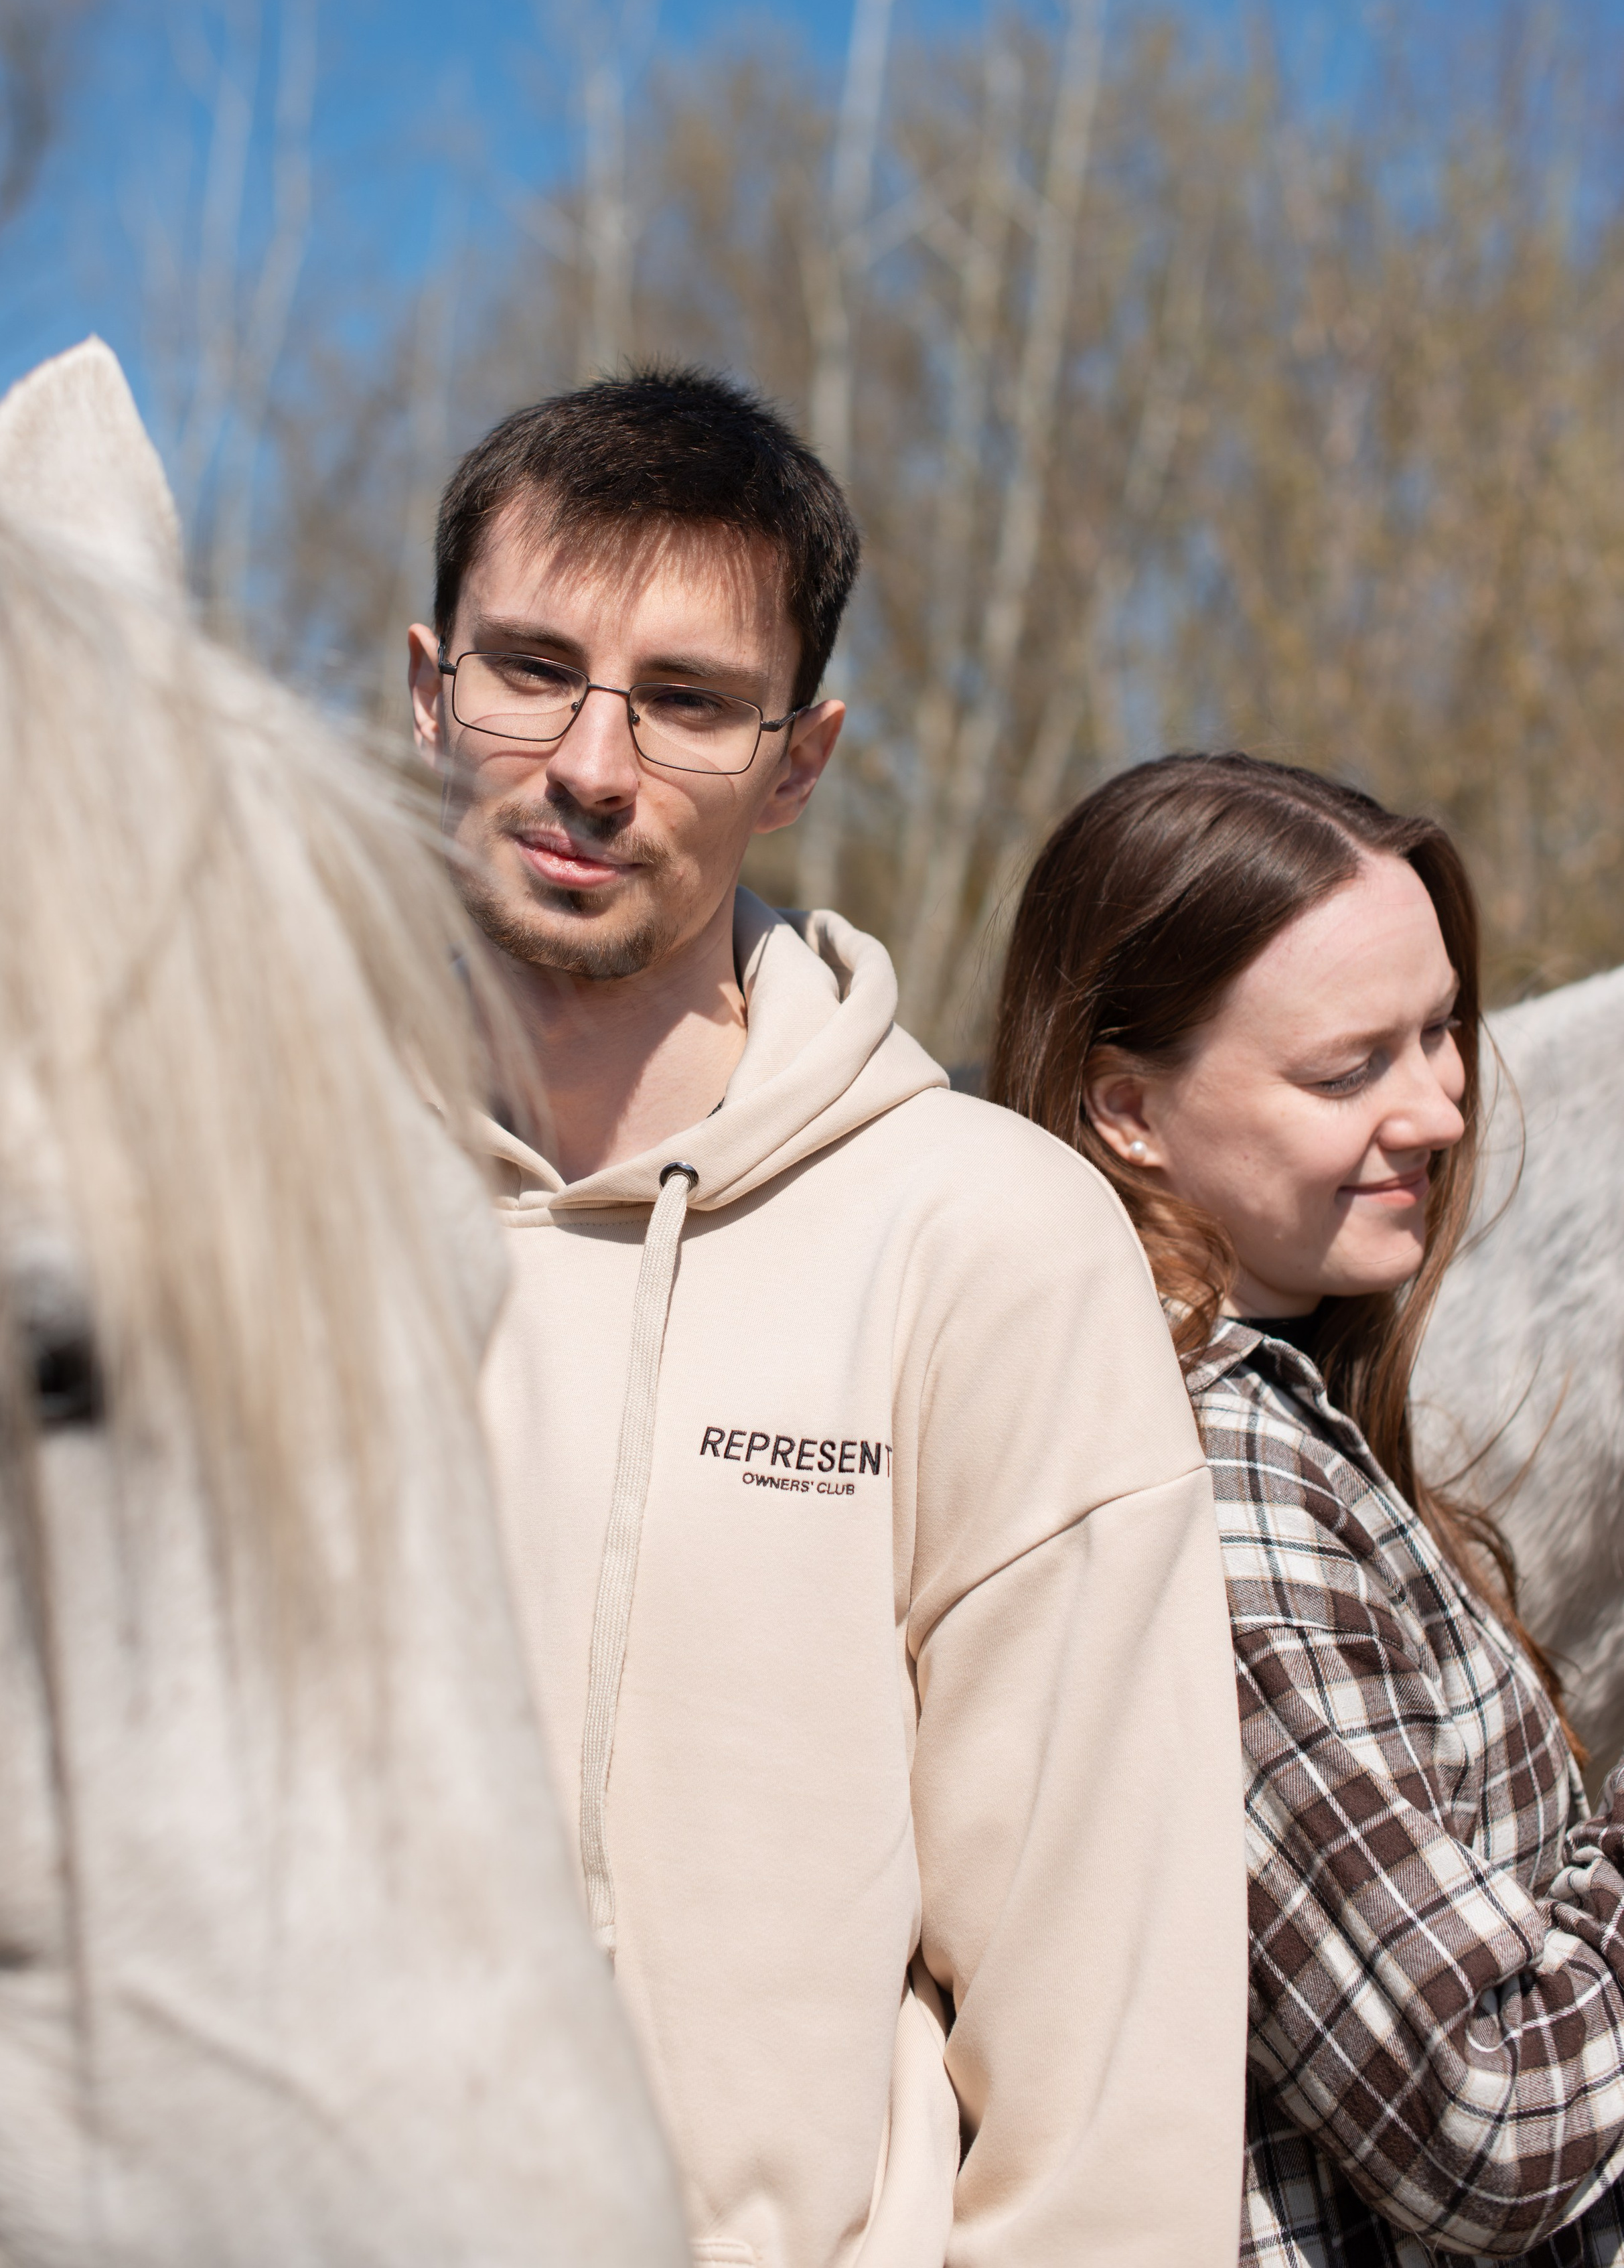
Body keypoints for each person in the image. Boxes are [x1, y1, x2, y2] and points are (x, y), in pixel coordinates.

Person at [407, 366, 1247, 2267]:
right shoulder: (240, 1188)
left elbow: (1106, 2000)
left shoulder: (985, 1236)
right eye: (530, 666)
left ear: (803, 758)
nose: (594, 763)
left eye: (691, 700)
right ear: (426, 686)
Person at [989, 747, 1624, 2267]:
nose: (1434, 1111)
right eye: (1349, 1070)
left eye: (1438, 1033)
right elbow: (1483, 2117)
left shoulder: (1278, 1408)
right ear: (1125, 1109)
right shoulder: (1210, 1478)